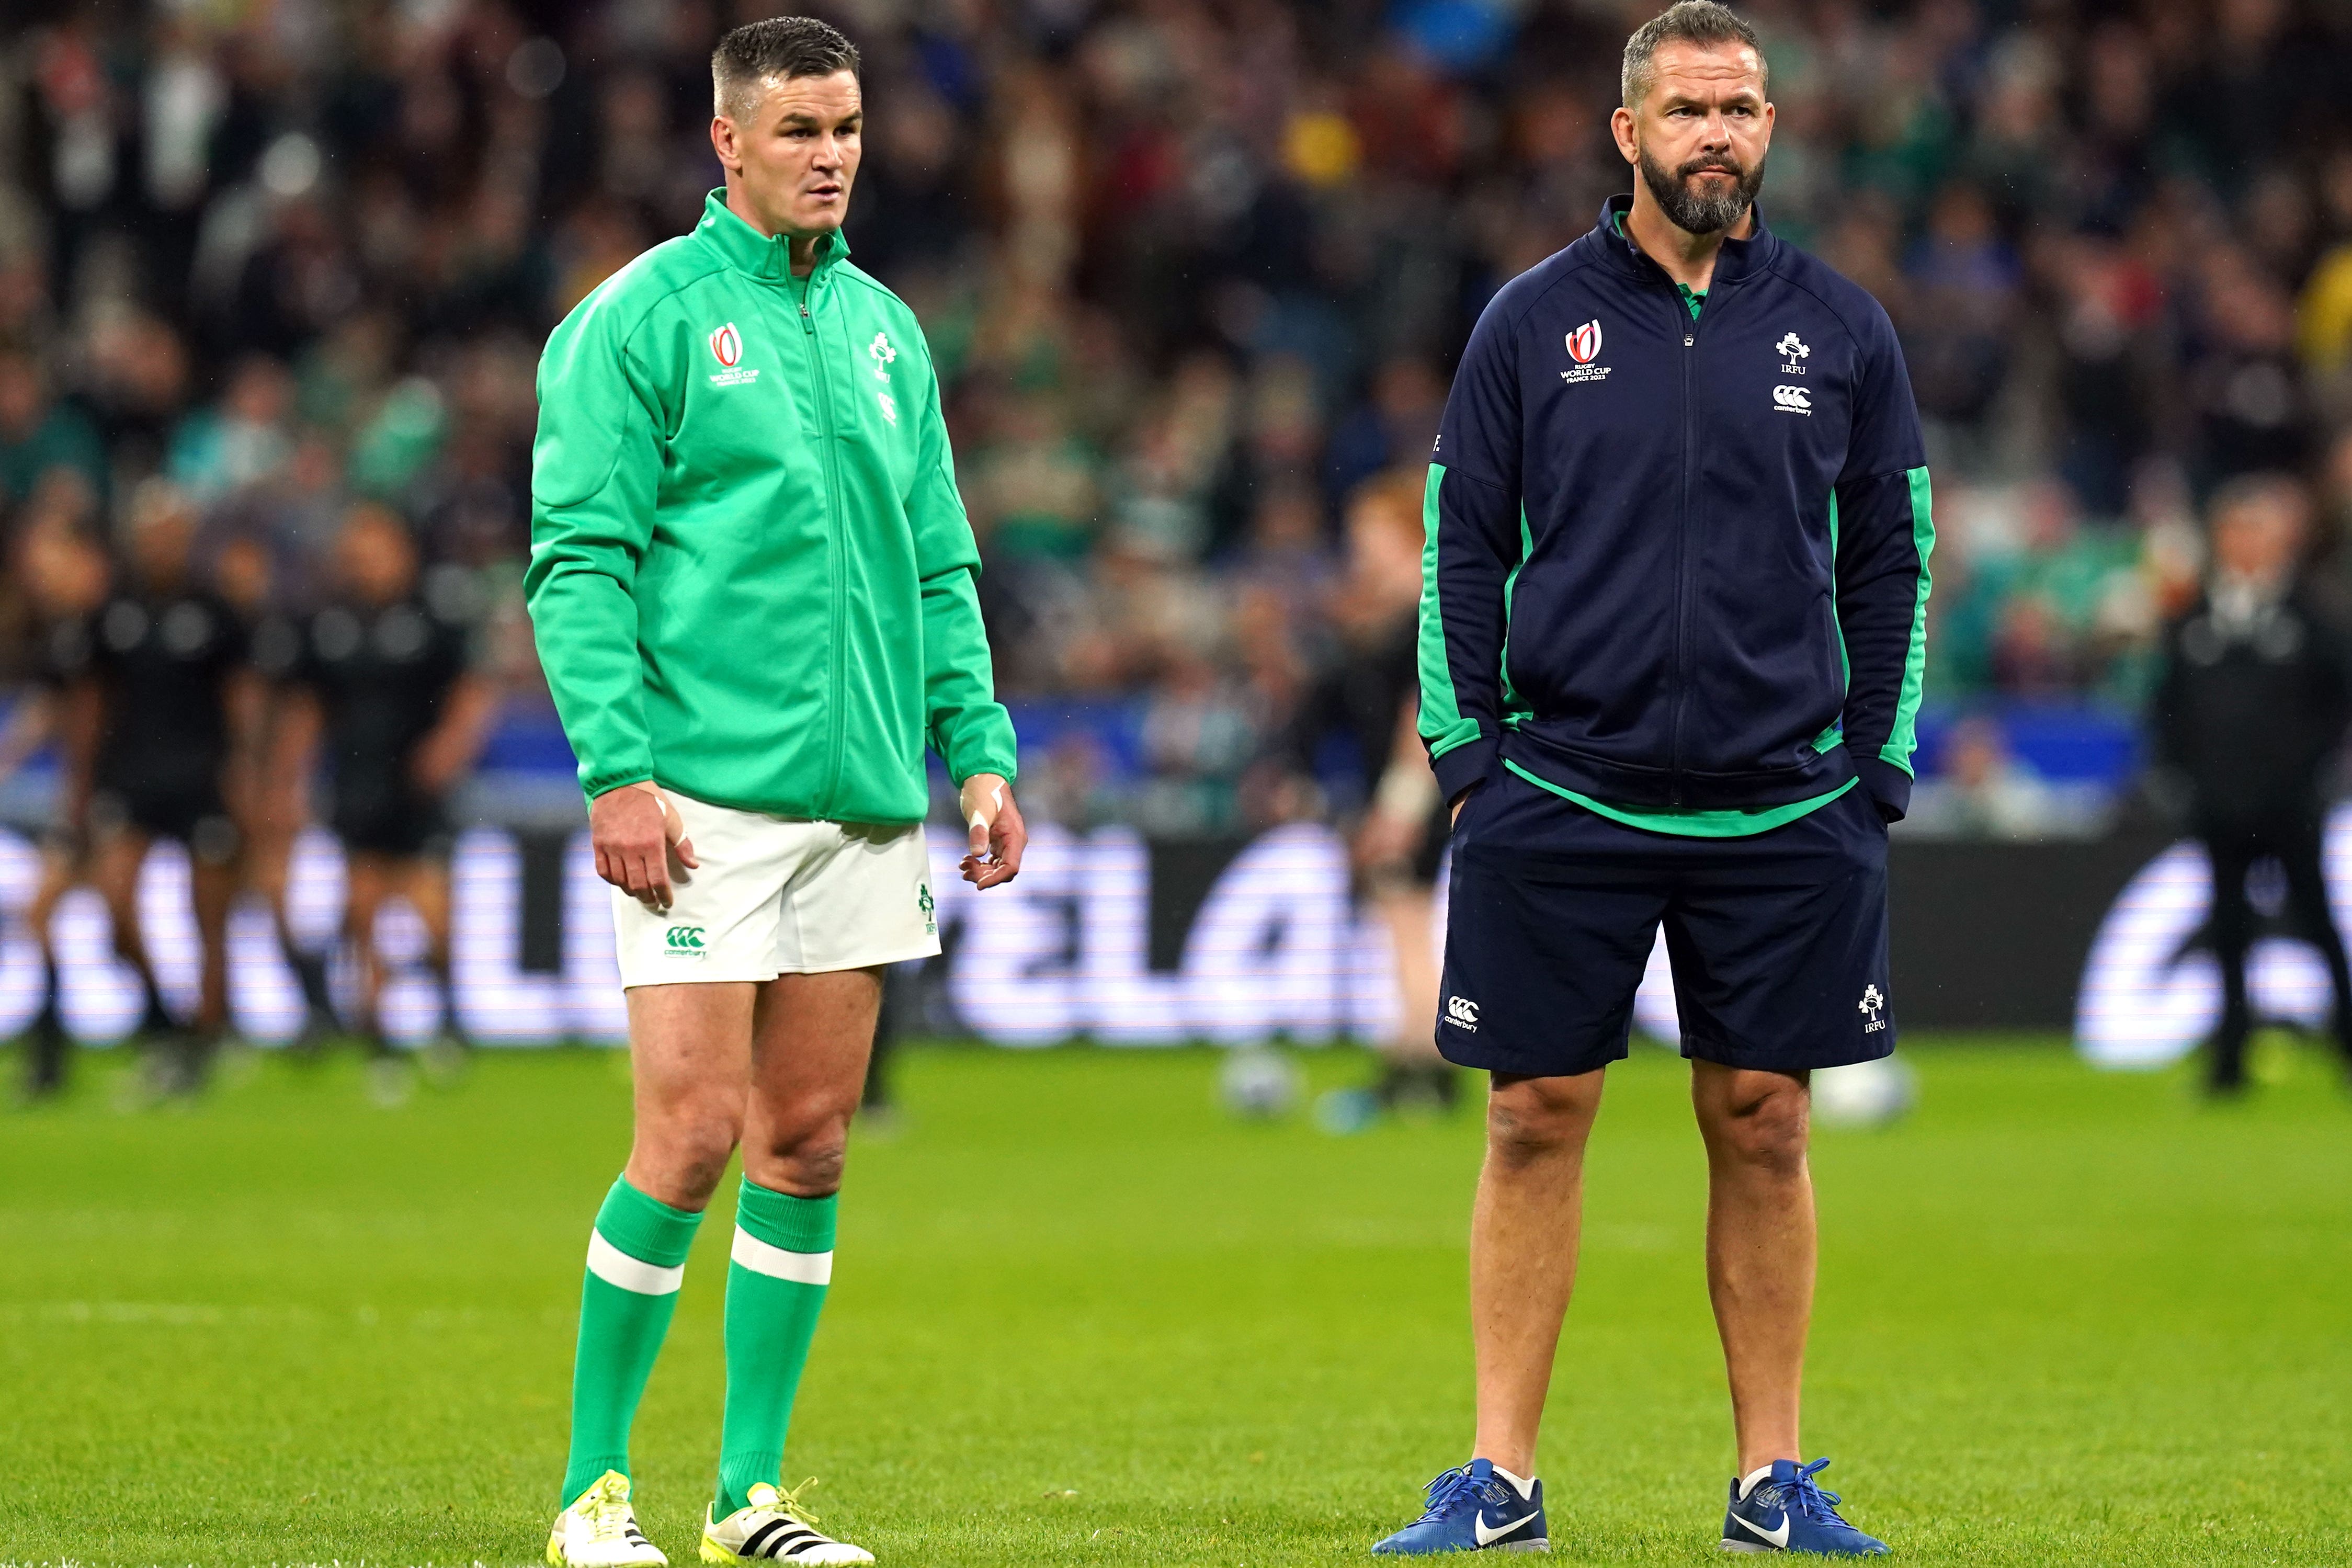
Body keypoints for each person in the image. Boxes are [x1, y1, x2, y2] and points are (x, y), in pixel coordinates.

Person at [1378, 4, 1929, 1556]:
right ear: (1624, 133)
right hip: (1560, 785)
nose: (1716, 134)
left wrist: (1872, 767)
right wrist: (1468, 758)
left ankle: (1772, 1481)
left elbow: (1894, 552)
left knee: (1762, 1117)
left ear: (1768, 128)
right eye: (1685, 109)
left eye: (1739, 108)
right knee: (1531, 1115)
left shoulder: (1840, 329)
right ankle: (1497, 1479)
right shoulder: (1525, 323)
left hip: (1783, 801)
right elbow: (1456, 545)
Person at [526, 18, 1024, 1567]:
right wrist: (616, 769)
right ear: (726, 143)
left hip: (866, 800)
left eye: (850, 128)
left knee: (807, 1143)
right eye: (801, 130)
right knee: (686, 1135)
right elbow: (580, 564)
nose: (833, 156)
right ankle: (590, 1491)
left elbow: (936, 561)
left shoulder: (886, 332)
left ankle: (748, 1498)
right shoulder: (637, 321)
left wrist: (980, 747)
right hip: (702, 804)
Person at [261, 504, 497, 1081]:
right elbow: (306, 709)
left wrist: (451, 746)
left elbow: (473, 688)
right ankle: (381, 1039)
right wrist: (287, 781)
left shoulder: (436, 611)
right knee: (363, 913)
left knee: (434, 919)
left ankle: (446, 1017)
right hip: (357, 786)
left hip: (417, 788)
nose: (362, 558)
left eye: (373, 545)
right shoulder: (330, 622)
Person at [2148, 473, 2352, 1094]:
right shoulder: (2195, 619)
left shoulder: (2310, 615)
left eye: (2258, 530)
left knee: (2315, 920)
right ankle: (2229, 1059)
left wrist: (2305, 772)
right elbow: (2167, 706)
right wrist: (2184, 775)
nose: (2247, 542)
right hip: (2220, 804)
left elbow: (2335, 704)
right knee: (2229, 930)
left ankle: (2346, 1040)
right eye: (2237, 529)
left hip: (2290, 803)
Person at [80, 480, 263, 1094]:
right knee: (113, 902)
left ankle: (202, 1044)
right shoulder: (113, 612)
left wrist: (246, 777)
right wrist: (80, 784)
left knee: (207, 917)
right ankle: (164, 1016)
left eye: (171, 532)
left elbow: (242, 699)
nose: (161, 544)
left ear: (187, 538)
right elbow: (91, 702)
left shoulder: (215, 611)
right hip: (129, 775)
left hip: (202, 778)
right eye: (151, 533)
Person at [0, 516, 112, 1098]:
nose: (40, 579)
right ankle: (50, 1056)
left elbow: (84, 720)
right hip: (93, 795)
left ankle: (178, 1033)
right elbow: (50, 708)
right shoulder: (65, 635)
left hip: (115, 794)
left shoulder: (105, 627)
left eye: (50, 565)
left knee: (114, 922)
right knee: (47, 915)